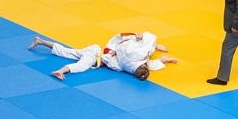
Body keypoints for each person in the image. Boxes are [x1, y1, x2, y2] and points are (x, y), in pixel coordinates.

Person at [28, 32, 174, 80]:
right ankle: (61, 71)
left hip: (95, 49)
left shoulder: (127, 65)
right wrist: (111, 54)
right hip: (95, 56)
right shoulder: (124, 66)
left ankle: (41, 41)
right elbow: (107, 60)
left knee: (66, 52)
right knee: (81, 66)